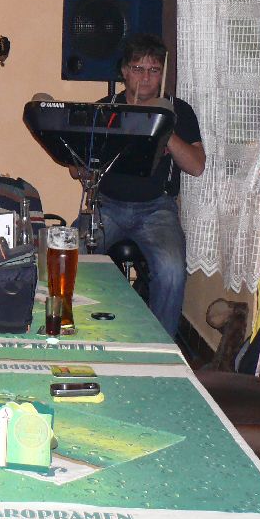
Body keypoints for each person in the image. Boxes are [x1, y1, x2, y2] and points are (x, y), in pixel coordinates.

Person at [86, 34, 205, 337]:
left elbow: (196, 165)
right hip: (106, 205)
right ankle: (79, 334)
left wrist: (164, 128)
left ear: (162, 74)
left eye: (154, 70)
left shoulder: (178, 110)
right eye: (138, 69)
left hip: (157, 209)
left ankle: (161, 346)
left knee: (171, 270)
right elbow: (79, 169)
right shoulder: (105, 108)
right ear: (124, 71)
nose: (146, 77)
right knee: (69, 252)